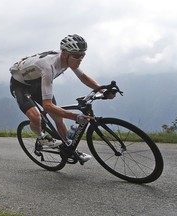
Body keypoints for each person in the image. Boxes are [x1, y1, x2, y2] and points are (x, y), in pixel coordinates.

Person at [9, 34, 115, 162]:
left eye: (83, 55)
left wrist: (103, 90)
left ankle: (70, 148)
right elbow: (48, 106)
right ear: (65, 54)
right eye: (77, 56)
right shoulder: (48, 67)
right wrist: (76, 117)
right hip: (20, 85)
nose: (80, 59)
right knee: (35, 117)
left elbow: (84, 78)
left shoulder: (69, 60)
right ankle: (41, 137)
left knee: (57, 117)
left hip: (38, 83)